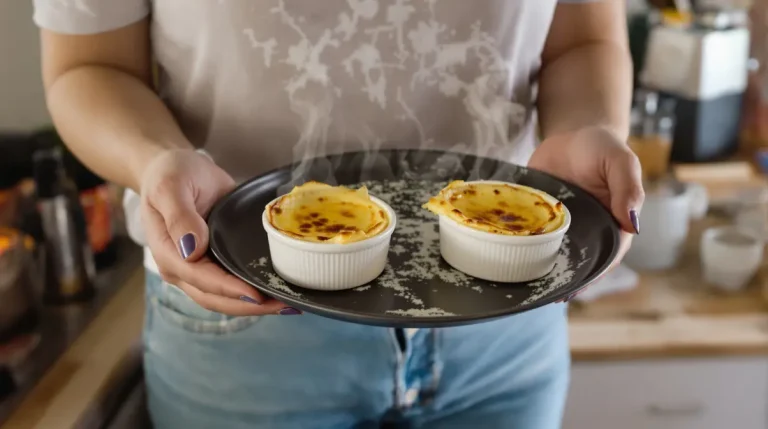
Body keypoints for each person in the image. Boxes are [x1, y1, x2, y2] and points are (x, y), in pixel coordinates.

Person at [33, 0, 643, 428]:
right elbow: (90, 67)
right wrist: (156, 159)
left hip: (506, 311)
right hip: (244, 324)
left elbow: (585, 41)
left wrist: (586, 130)